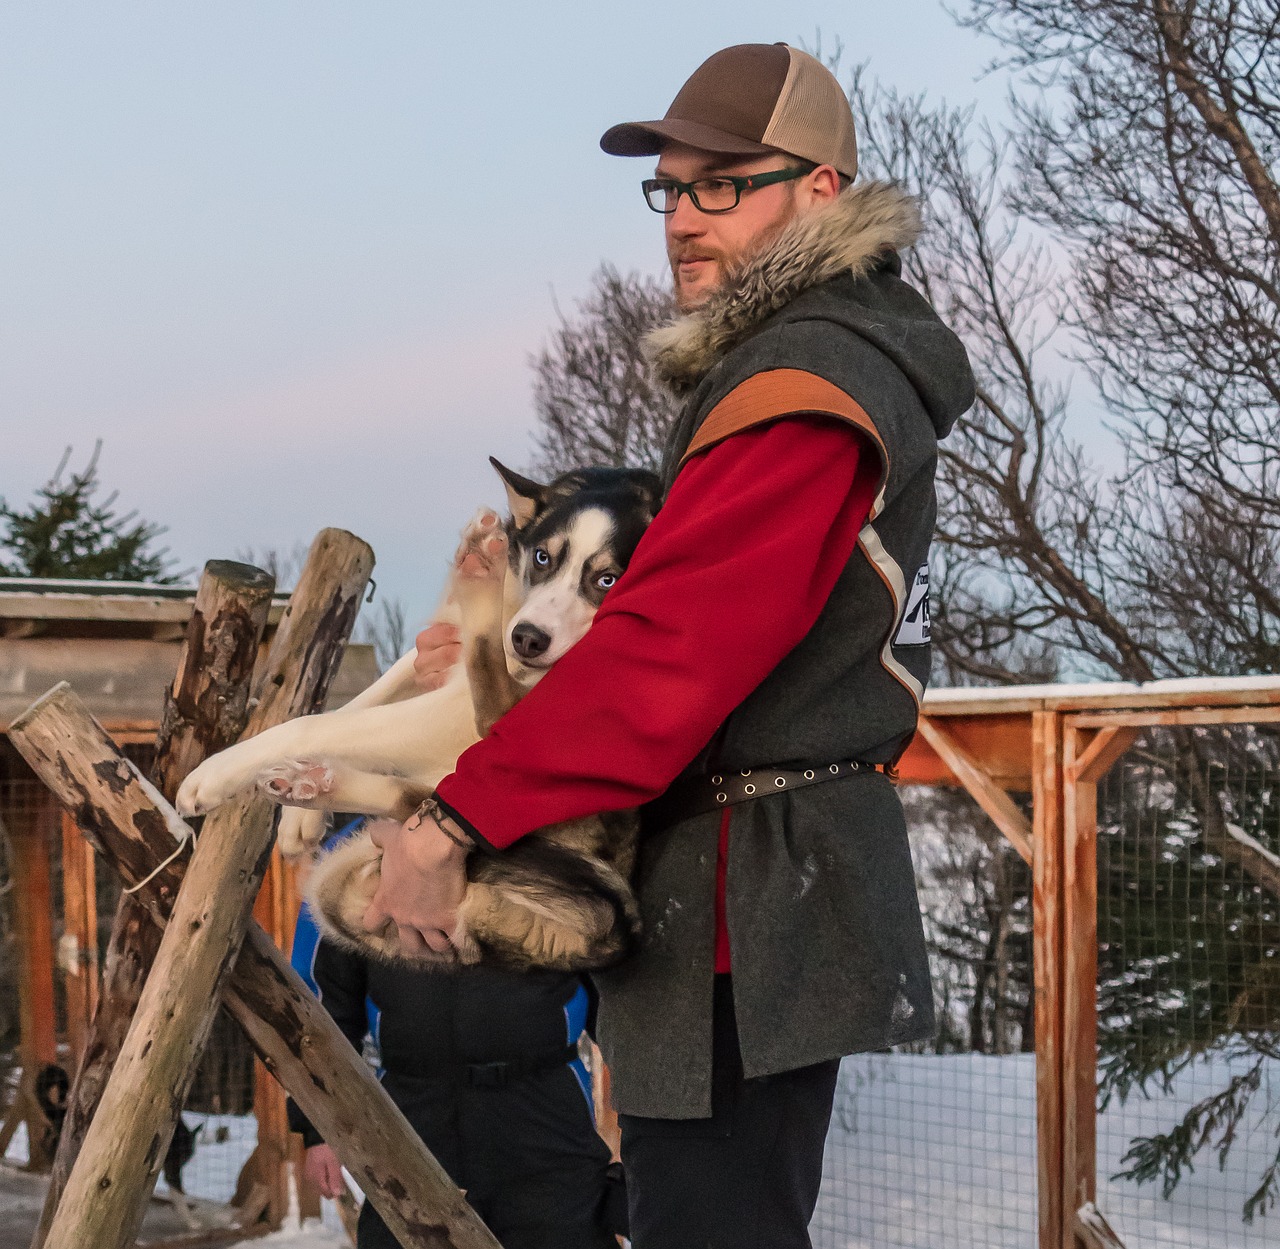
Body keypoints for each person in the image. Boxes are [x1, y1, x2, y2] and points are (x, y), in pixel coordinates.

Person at [366, 43, 975, 1248]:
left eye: (722, 183)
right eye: (671, 190)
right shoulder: (778, 369)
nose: (683, 220)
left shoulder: (807, 382)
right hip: (722, 884)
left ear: (822, 188)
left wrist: (453, 821)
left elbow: (666, 652)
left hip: (751, 892)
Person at [287, 822, 617, 1249]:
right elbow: (321, 1008)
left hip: (545, 1112)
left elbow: (615, 989)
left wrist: (645, 1116)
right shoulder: (356, 849)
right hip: (410, 1117)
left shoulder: (553, 837)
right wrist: (319, 1130)